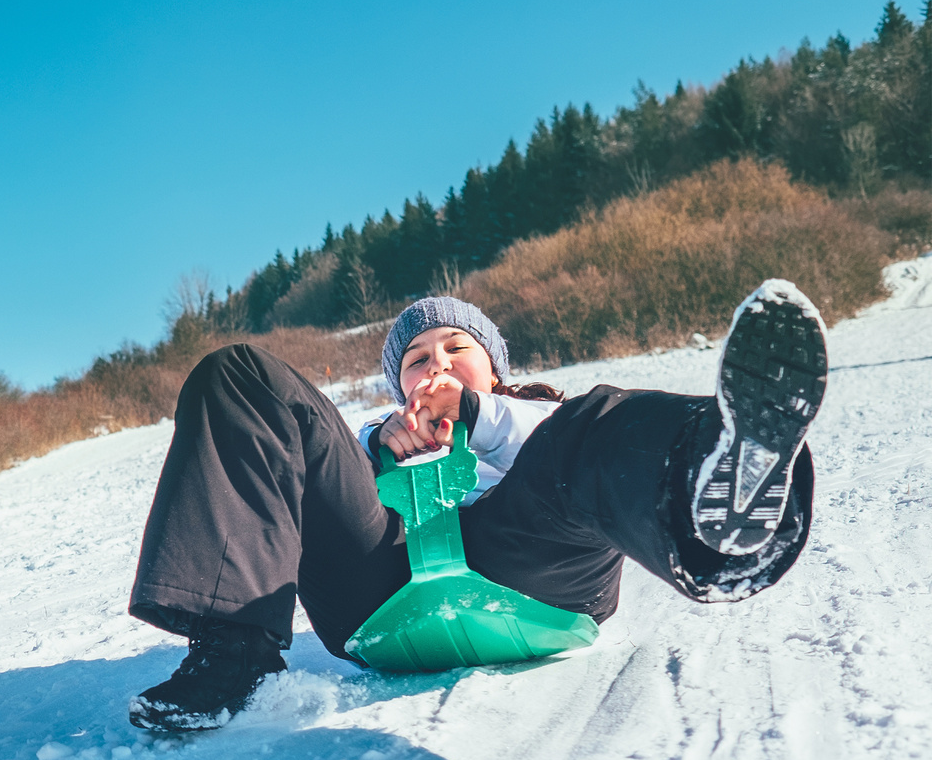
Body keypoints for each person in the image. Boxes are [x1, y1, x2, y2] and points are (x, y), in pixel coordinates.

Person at [125, 279, 828, 733]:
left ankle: (720, 513)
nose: (436, 364)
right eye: (416, 359)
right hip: (379, 597)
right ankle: (232, 653)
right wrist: (377, 460)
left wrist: (478, 415)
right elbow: (320, 508)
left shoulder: (533, 414)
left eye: (456, 350)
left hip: (534, 571)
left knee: (597, 419)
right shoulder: (377, 436)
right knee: (241, 373)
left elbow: (550, 448)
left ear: (493, 368)